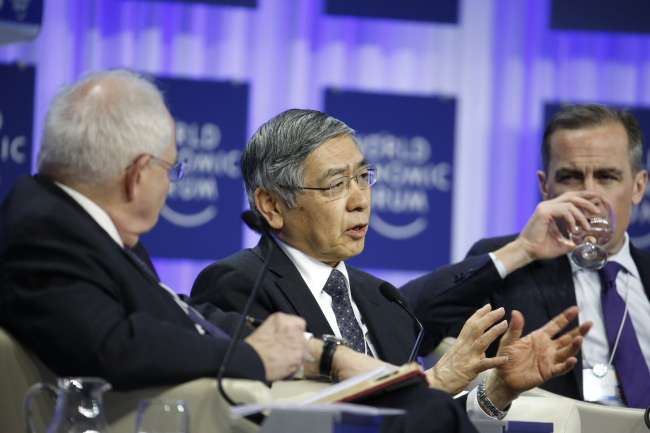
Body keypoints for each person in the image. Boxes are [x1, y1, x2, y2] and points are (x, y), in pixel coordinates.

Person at [0, 69, 489, 433]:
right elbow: (115, 347)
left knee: (424, 408)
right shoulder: (46, 230)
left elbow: (181, 317)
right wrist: (259, 357)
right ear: (135, 175)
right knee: (423, 412)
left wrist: (316, 352)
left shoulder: (76, 227)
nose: (171, 186)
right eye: (172, 169)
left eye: (363, 177)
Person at [190, 108, 591, 417]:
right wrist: (436, 381)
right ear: (271, 205)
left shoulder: (382, 299)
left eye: (363, 177)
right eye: (336, 184)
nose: (361, 198)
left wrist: (497, 390)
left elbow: (414, 421)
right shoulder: (238, 284)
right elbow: (275, 418)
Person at [401, 104, 650, 409]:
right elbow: (399, 328)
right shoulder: (510, 265)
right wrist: (521, 250)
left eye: (606, 177)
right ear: (546, 187)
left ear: (638, 187)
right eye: (571, 177)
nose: (588, 195)